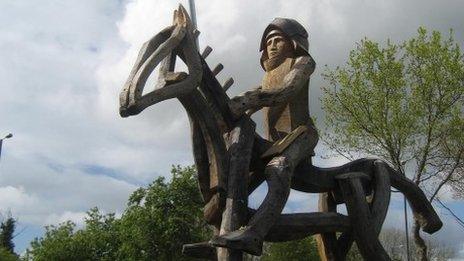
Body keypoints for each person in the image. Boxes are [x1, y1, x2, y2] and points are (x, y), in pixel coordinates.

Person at [211, 18, 319, 255]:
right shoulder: (267, 76)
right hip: (275, 143)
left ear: (294, 43)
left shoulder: (302, 62)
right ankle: (219, 235)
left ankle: (255, 234)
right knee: (236, 184)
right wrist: (227, 115)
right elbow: (258, 96)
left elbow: (285, 91)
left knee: (277, 169)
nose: (272, 46)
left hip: (301, 134)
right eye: (268, 42)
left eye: (278, 40)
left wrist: (245, 101)